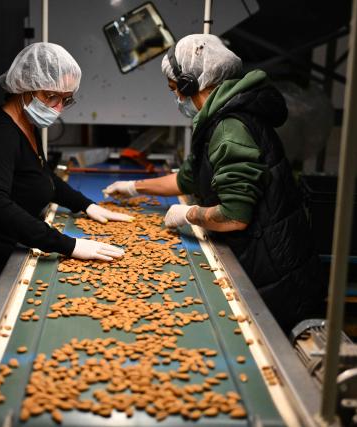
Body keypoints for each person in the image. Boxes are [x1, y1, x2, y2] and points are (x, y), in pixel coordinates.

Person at [103, 34, 324, 332]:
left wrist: (190, 214)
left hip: (276, 276)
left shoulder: (229, 127)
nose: (177, 98)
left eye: (175, 90)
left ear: (190, 84)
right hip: (270, 259)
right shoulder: (220, 117)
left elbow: (234, 216)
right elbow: (188, 177)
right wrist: (134, 188)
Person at [0, 43, 132, 333]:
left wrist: (86, 205)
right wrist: (68, 245)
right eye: (51, 97)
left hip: (12, 253)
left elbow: (42, 176)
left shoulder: (27, 125)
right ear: (24, 87)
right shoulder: (0, 136)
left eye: (65, 100)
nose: (58, 109)